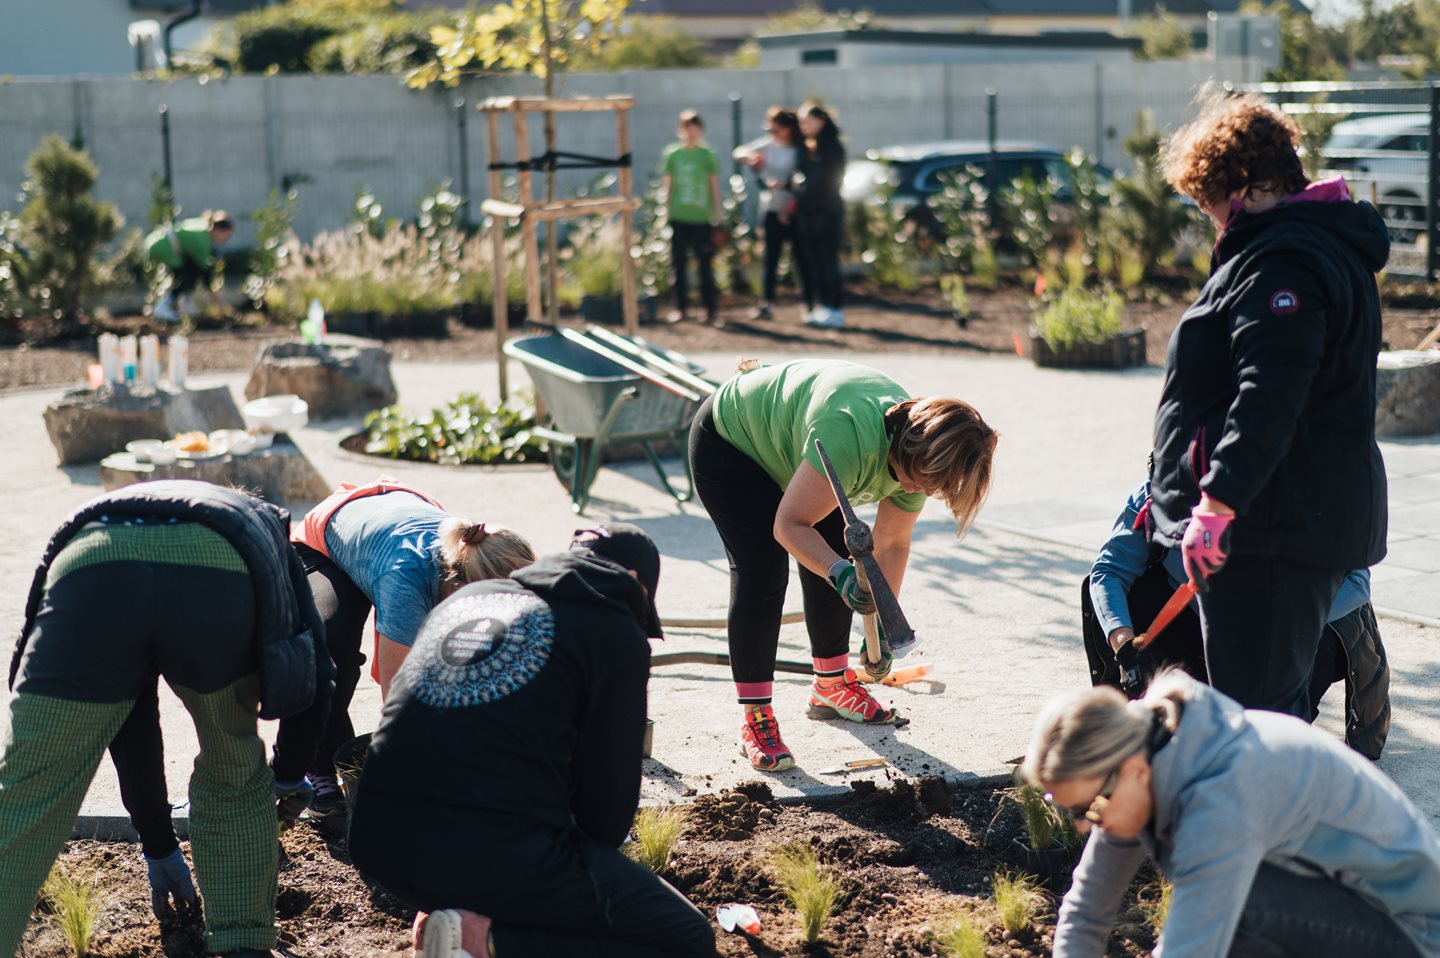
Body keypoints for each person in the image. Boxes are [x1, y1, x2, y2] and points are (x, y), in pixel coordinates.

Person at [348, 523, 717, 958]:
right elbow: (606, 820)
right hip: (491, 853)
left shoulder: (470, 598)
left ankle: (458, 916)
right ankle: (482, 941)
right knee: (687, 939)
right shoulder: (614, 630)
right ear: (635, 584)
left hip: (380, 843)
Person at [0, 480, 334, 958]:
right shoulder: (262, 527)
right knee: (233, 764)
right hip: (216, 576)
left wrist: (157, 841)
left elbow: (129, 716)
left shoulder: (124, 506)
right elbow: (317, 672)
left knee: (24, 795)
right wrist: (285, 775)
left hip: (92, 567)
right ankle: (242, 945)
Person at [1150, 89, 1390, 718]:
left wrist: (1217, 503)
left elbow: (1270, 394)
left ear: (1247, 185)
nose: (1215, 222)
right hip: (1288, 519)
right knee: (1265, 712)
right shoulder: (1317, 246)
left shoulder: (1282, 260)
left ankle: (1278, 819)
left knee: (1259, 722)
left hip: (1271, 528)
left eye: (1212, 205)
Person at [689, 358, 997, 771]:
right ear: (906, 446)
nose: (917, 489)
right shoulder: (851, 437)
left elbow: (892, 543)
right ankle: (756, 716)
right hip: (734, 443)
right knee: (763, 569)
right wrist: (841, 574)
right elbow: (788, 525)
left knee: (837, 548)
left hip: (801, 450)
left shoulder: (923, 456)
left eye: (930, 486)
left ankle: (831, 687)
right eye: (918, 479)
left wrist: (886, 629)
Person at [1023, 672, 1440, 958]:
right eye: (1062, 806)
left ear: (1131, 770)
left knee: (1239, 913)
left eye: (1086, 808)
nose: (1082, 824)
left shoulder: (1221, 799)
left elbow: (1191, 947)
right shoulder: (1144, 764)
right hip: (1342, 905)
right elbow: (1087, 911)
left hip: (1416, 932)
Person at [271, 476, 534, 819]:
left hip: (397, 512)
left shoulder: (480, 560)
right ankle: (317, 766)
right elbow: (397, 697)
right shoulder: (406, 582)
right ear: (458, 585)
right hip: (329, 538)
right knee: (331, 651)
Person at [1082, 478, 1391, 758]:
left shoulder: (1308, 487)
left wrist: (1276, 623)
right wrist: (1125, 643)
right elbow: (1109, 572)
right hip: (1203, 627)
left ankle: (1280, 728)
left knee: (1256, 747)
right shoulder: (1166, 490)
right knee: (1127, 597)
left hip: (1291, 630)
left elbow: (1356, 582)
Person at [733, 106, 805, 321]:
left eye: (777, 129)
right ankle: (767, 303)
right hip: (772, 208)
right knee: (770, 258)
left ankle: (808, 303)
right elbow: (739, 152)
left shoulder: (799, 149)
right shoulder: (767, 146)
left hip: (794, 209)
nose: (772, 133)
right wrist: (754, 160)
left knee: (801, 258)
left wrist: (789, 187)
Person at [661, 109, 722, 326]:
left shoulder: (707, 155)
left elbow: (713, 184)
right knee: (679, 265)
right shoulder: (673, 154)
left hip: (701, 218)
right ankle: (682, 308)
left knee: (705, 265)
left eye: (696, 129)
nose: (692, 133)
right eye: (688, 129)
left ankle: (710, 309)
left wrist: (717, 212)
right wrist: (664, 212)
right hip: (679, 216)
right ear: (681, 130)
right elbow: (667, 186)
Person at [794, 102, 847, 329]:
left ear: (821, 121)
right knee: (813, 261)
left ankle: (834, 308)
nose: (804, 126)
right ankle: (820, 305)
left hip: (828, 212)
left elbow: (829, 181)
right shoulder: (806, 147)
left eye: (808, 121)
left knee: (828, 261)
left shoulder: (833, 148)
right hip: (809, 212)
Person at [144, 209, 234, 323]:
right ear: (220, 231)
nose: (225, 241)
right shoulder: (203, 240)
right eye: (225, 237)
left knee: (189, 272)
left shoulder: (203, 226)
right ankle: (163, 307)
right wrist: (221, 307)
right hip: (162, 247)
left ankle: (181, 304)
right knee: (188, 277)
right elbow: (206, 277)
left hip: (158, 241)